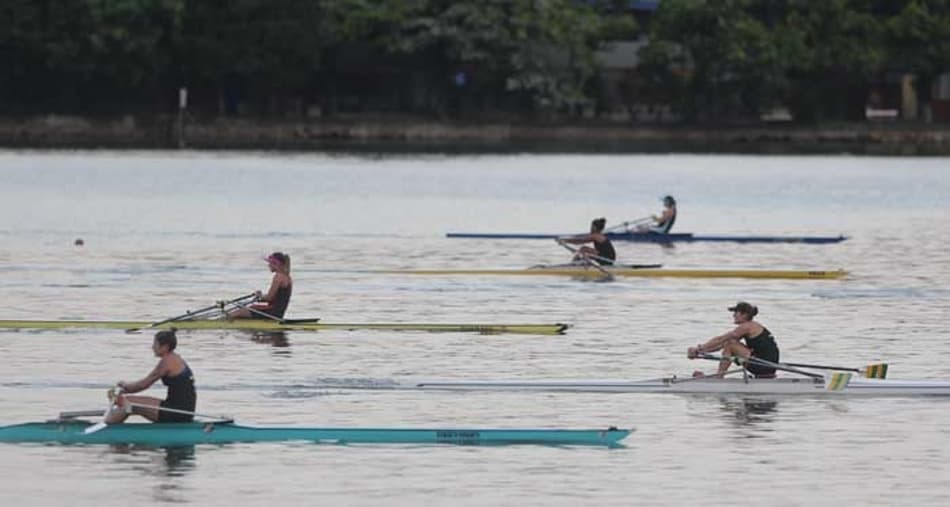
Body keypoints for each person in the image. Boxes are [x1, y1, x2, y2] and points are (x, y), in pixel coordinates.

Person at [105, 329, 196, 423]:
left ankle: (107, 428)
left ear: (165, 347)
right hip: (183, 410)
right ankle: (117, 421)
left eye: (155, 344)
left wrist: (124, 386)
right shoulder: (176, 358)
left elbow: (143, 385)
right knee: (128, 405)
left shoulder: (167, 362)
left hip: (177, 413)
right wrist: (123, 392)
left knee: (128, 403)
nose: (152, 347)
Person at [687, 302, 780, 378]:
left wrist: (698, 349)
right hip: (765, 365)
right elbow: (720, 345)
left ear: (745, 314)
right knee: (729, 344)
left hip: (764, 365)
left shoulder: (747, 326)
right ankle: (719, 376)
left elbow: (721, 339)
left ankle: (718, 378)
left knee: (730, 344)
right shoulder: (751, 326)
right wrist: (701, 351)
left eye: (736, 312)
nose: (733, 315)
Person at [229, 252, 293, 319]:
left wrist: (260, 296)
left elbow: (269, 298)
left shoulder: (278, 277)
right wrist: (261, 297)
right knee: (248, 309)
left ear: (276, 264)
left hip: (272, 313)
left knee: (240, 311)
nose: (268, 265)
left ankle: (219, 323)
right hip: (278, 312)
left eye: (270, 263)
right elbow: (275, 298)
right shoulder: (287, 277)